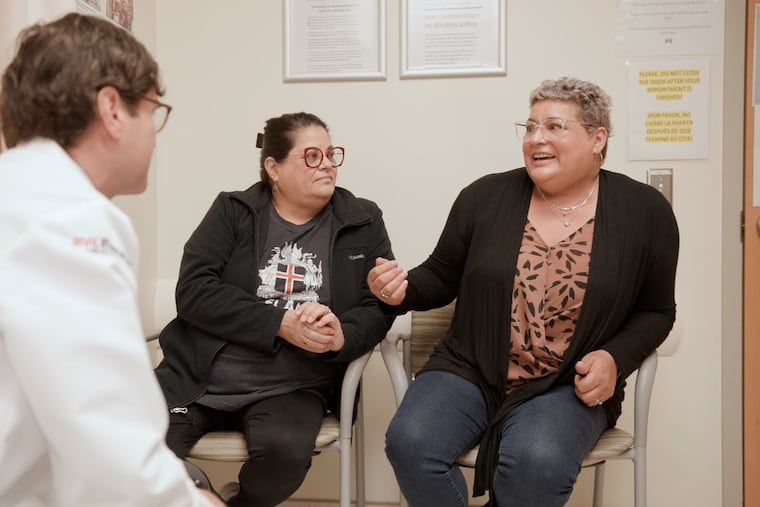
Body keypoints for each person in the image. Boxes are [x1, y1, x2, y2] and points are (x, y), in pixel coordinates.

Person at [369, 77, 679, 506]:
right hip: (472, 368)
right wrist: (398, 290)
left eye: (554, 127)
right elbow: (441, 277)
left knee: (537, 462)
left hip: (568, 383)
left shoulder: (645, 212)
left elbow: (657, 311)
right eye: (530, 127)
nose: (537, 139)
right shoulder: (484, 197)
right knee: (410, 442)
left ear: (597, 138)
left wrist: (615, 358)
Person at [0, 12, 224, 507]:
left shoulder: (18, 195)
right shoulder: (70, 218)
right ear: (112, 109)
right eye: (151, 110)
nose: (154, 133)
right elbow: (105, 433)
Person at [154, 111, 395, 507]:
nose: (329, 165)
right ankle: (195, 493)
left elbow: (377, 306)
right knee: (133, 443)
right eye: (313, 156)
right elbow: (194, 291)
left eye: (332, 154)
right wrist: (280, 323)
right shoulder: (232, 211)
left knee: (285, 455)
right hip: (196, 381)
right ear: (274, 168)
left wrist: (342, 335)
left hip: (292, 387)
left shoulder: (363, 219)